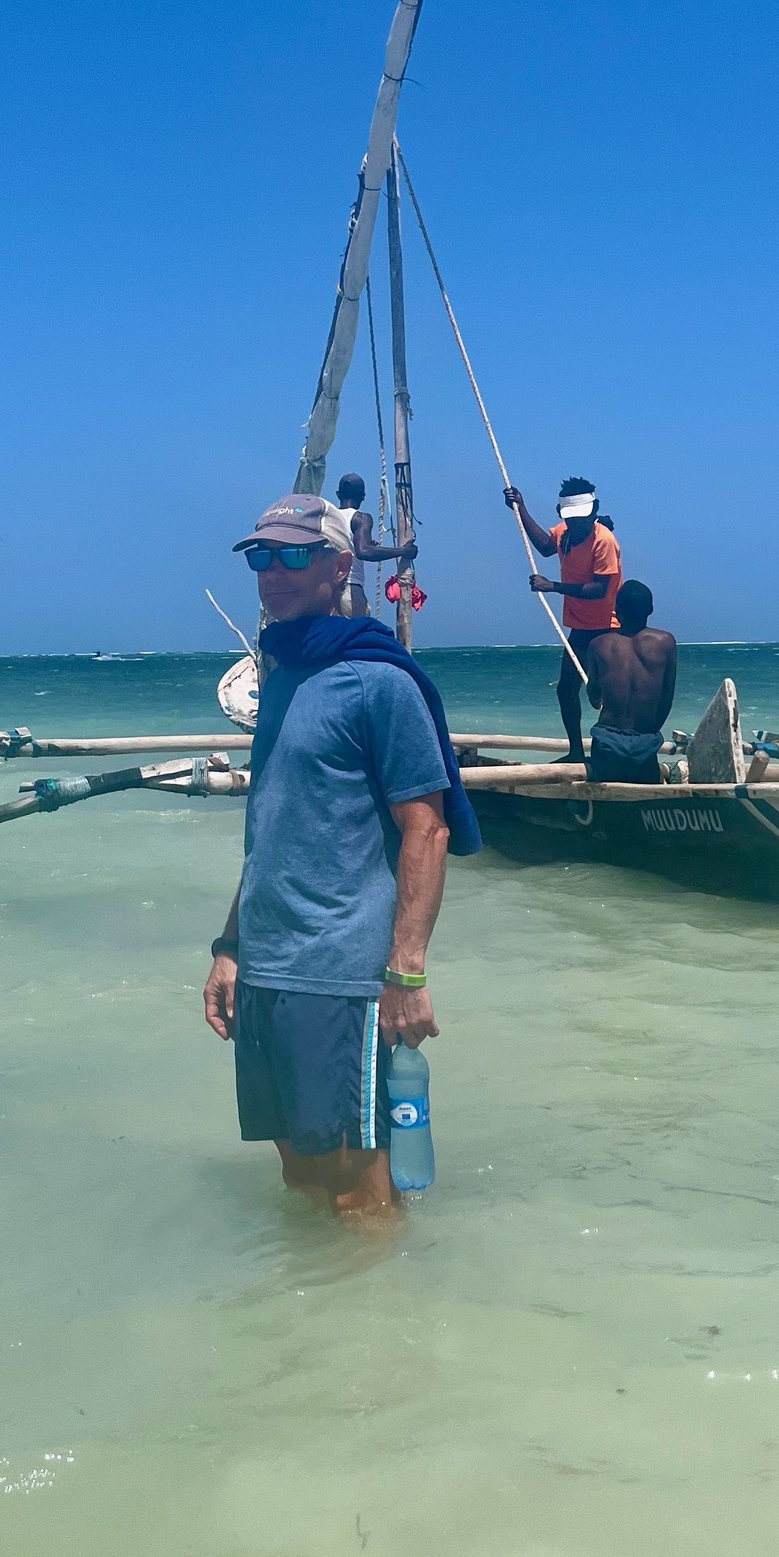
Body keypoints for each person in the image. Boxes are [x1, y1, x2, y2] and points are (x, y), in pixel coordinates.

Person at [202, 493, 480, 1220]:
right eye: (263, 556)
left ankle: (386, 1326)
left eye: (297, 554)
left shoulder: (379, 681)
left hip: (340, 973)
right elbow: (273, 823)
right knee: (297, 1168)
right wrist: (230, 947)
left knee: (358, 1184)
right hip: (267, 961)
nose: (275, 571)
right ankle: (311, 1325)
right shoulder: (282, 673)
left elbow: (428, 830)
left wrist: (407, 973)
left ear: (340, 566)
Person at [502, 476, 622, 762]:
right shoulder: (566, 532)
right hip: (580, 626)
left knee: (608, 694)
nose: (577, 524)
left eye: (582, 519)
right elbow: (545, 545)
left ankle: (611, 753)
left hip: (608, 627)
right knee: (567, 689)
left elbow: (599, 589)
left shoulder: (603, 540)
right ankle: (576, 752)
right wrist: (521, 508)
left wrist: (552, 586)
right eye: (571, 519)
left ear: (593, 512)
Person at [585, 580, 677, 782]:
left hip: (607, 740)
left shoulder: (599, 644)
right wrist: (648, 733)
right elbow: (666, 699)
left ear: (616, 611)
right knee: (647, 787)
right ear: (650, 609)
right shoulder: (666, 642)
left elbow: (593, 695)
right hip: (646, 742)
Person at [335, 472, 416, 618]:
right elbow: (364, 551)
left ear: (338, 494)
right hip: (349, 590)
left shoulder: (326, 519)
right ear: (363, 496)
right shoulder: (360, 518)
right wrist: (403, 551)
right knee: (359, 639)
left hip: (324, 593)